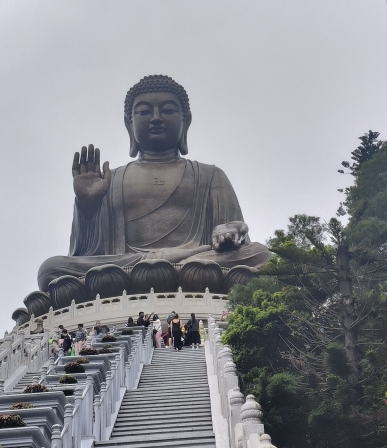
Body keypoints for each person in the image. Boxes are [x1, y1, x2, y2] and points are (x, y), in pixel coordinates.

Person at [35, 76, 272, 309]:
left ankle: (166, 267)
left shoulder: (210, 175)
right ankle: (161, 268)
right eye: (144, 112)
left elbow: (235, 240)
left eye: (168, 110)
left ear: (185, 121)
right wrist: (88, 207)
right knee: (51, 268)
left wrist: (228, 231)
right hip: (129, 266)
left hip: (195, 259)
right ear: (129, 124)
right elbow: (87, 253)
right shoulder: (111, 179)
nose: (156, 118)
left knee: (262, 256)